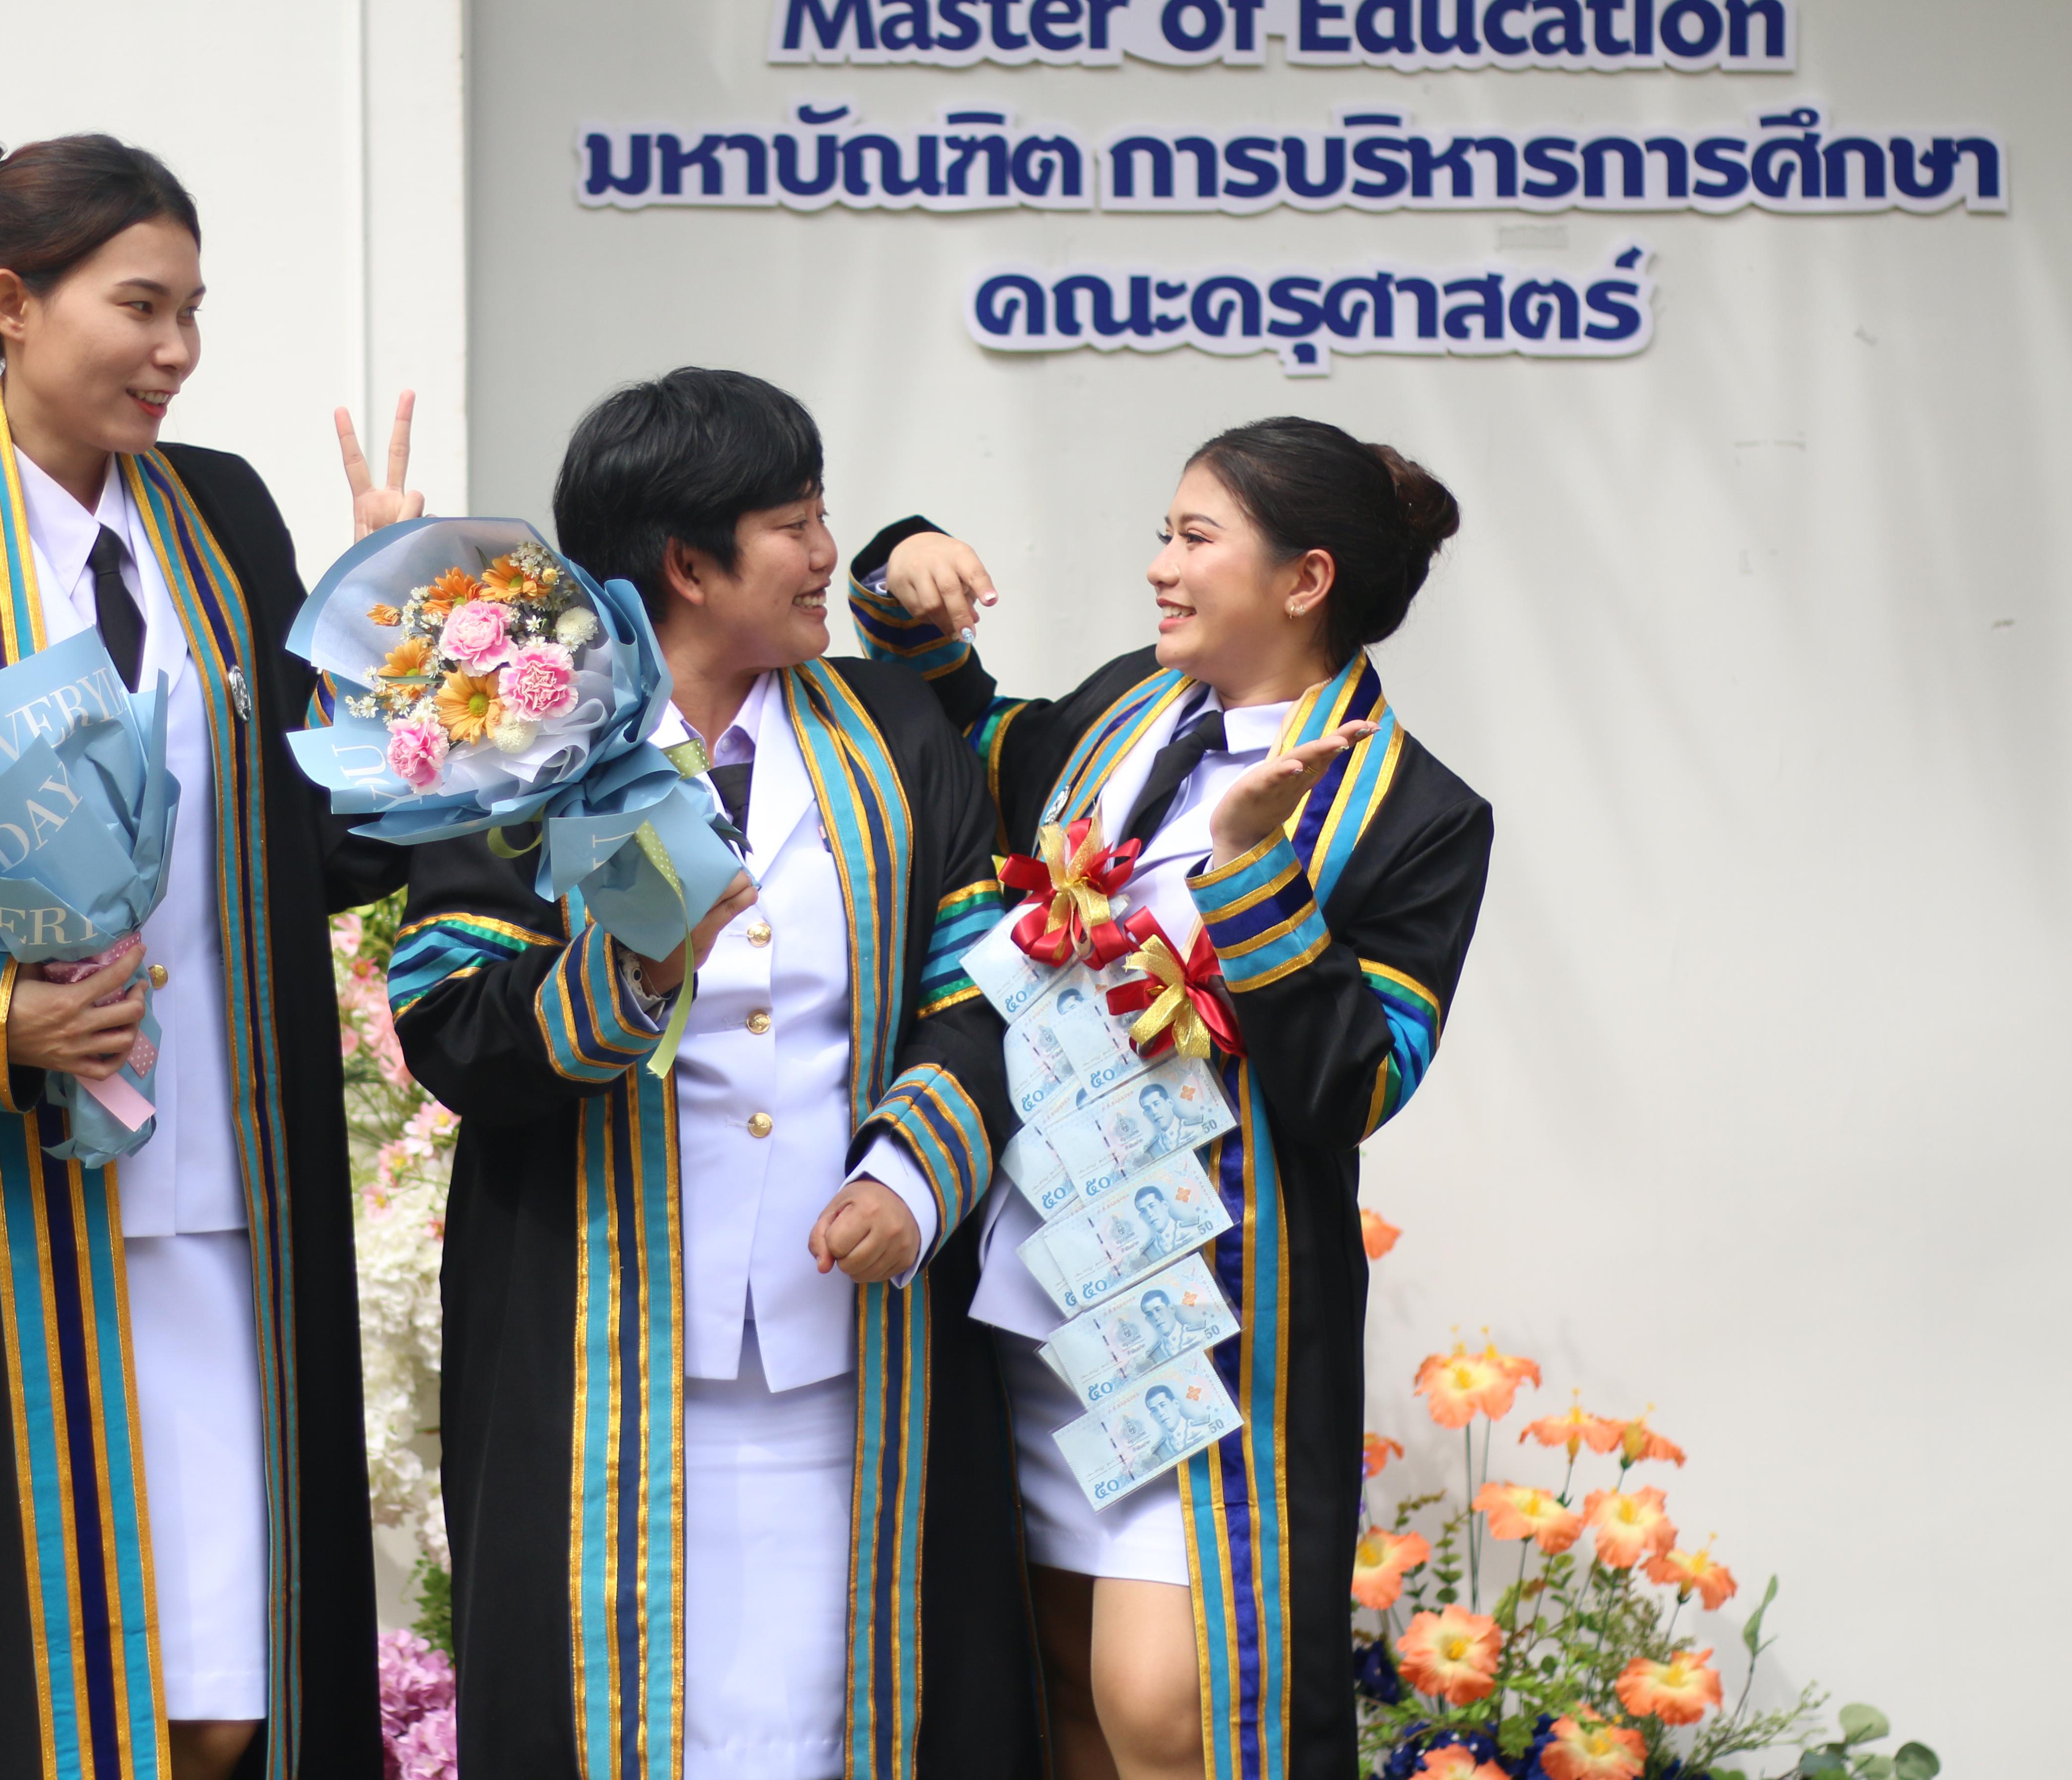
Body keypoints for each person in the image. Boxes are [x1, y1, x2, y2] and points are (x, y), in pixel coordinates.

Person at [0, 134, 425, 1780]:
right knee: (15, 1688)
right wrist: (0, 1024)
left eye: (195, 312)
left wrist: (399, 634)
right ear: (11, 303)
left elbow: (314, 841)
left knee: (224, 1697)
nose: (177, 352)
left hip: (221, 1205)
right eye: (141, 307)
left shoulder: (230, 521)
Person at [389, 368, 1039, 1779]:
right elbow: (450, 1023)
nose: (827, 555)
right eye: (795, 525)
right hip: (601, 1352)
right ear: (687, 565)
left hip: (855, 1352)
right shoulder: (522, 742)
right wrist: (635, 972)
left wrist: (912, 1172)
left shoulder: (892, 732)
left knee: (846, 1713)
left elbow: (979, 987)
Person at [852, 417, 1493, 1780]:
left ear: (1304, 581)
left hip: (1207, 1322)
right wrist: (901, 579)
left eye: (1194, 538)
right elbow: (972, 742)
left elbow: (1355, 1081)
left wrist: (1252, 873)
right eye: (1167, 533)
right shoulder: (1120, 710)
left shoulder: (1422, 815)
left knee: (1171, 1714)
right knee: (1059, 1699)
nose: (1159, 566)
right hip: (1032, 1283)